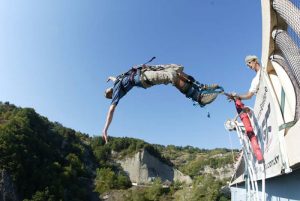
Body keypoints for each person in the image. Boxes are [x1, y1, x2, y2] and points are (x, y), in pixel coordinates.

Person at [102, 64, 222, 143]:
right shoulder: (117, 92)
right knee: (171, 76)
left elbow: (113, 78)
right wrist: (105, 129)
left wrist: (109, 77)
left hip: (146, 69)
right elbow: (111, 110)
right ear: (110, 95)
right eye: (107, 92)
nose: (107, 90)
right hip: (144, 78)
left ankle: (200, 86)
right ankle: (198, 96)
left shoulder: (116, 82)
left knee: (176, 68)